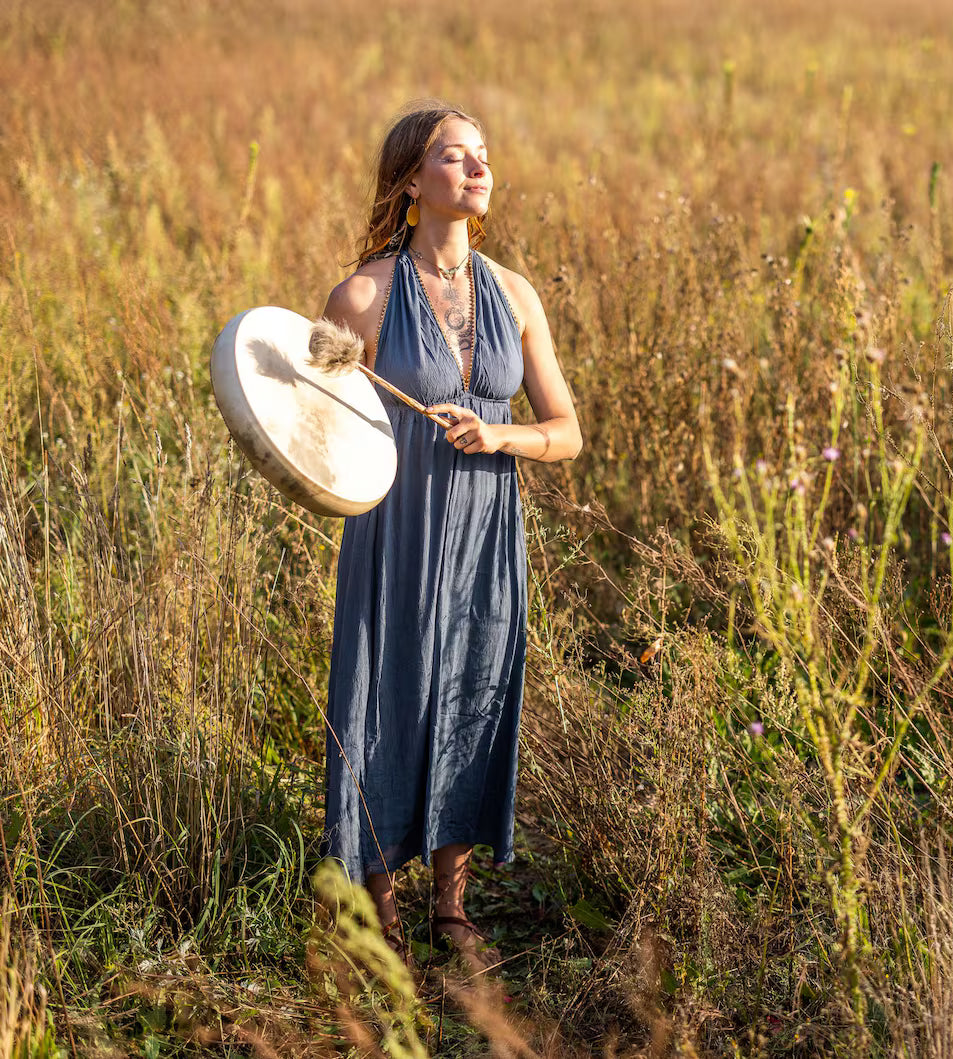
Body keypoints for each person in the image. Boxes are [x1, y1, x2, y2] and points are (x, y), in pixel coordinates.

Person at [318, 99, 581, 965]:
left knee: (472, 688)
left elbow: (567, 432)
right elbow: (311, 425)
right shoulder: (362, 295)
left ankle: (451, 905)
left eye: (483, 155)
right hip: (395, 530)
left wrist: (499, 433)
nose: (478, 169)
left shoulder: (515, 293)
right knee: (387, 696)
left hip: (486, 531)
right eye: (454, 156)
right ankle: (379, 904)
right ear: (409, 182)